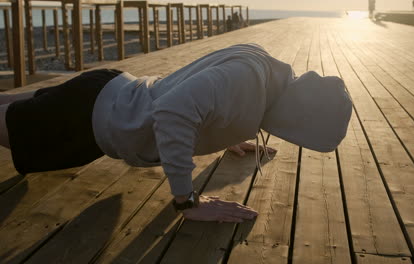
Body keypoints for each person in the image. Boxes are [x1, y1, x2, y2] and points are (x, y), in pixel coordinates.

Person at [0, 44, 352, 223]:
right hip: (87, 120)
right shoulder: (247, 82)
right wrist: (188, 201)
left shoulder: (261, 66)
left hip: (108, 91)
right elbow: (172, 112)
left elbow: (207, 93)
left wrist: (229, 132)